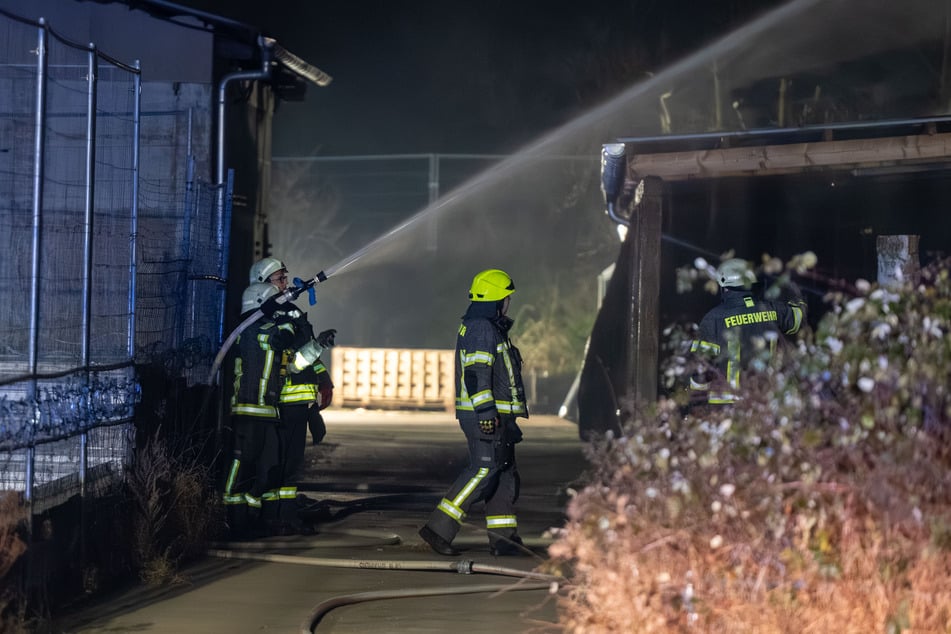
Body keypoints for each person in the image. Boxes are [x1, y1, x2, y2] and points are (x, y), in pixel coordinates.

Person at [419, 269, 529, 557]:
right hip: (485, 416)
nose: (508, 303)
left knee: (504, 474)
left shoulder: (484, 326)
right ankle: (439, 528)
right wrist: (486, 412)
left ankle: (503, 538)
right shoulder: (482, 328)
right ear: (496, 300)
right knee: (484, 470)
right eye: (506, 298)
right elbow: (476, 374)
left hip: (497, 416)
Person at [248, 257, 336, 531]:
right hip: (285, 401)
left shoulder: (292, 313)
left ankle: (284, 514)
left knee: (292, 462)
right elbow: (295, 360)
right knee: (281, 463)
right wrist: (317, 347)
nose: (285, 284)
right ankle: (279, 516)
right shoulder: (268, 318)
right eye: (279, 280)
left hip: (300, 401)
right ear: (263, 285)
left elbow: (306, 351)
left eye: (285, 278)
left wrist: (323, 378)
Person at [688, 257, 806, 406]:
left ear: (724, 286)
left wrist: (696, 407)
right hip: (764, 404)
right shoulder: (772, 310)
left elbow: (699, 371)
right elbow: (798, 317)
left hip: (726, 409)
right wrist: (795, 294)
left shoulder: (712, 320)